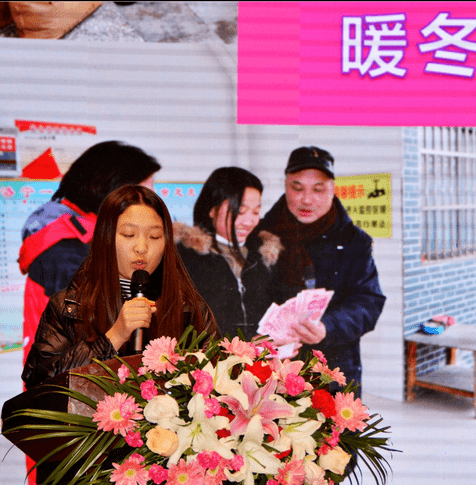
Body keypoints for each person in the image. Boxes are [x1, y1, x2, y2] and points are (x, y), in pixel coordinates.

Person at [22, 185, 218, 391]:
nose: (141, 247)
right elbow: (40, 384)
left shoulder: (189, 308)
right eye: (128, 234)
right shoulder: (68, 306)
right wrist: (113, 337)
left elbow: (216, 382)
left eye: (154, 237)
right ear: (105, 238)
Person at [257, 146, 386, 398]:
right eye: (297, 188)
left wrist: (328, 327)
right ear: (285, 186)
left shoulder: (354, 242)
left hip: (334, 370)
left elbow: (368, 302)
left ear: (332, 189)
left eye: (318, 189)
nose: (306, 200)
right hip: (272, 371)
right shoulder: (261, 236)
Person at [18, 141, 161, 365]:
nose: (153, 196)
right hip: (71, 389)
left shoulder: (87, 236)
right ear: (108, 188)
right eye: (143, 188)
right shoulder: (67, 253)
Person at [175, 167, 283, 340]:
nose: (249, 221)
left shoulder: (265, 256)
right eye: (240, 211)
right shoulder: (186, 257)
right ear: (212, 209)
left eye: (256, 212)